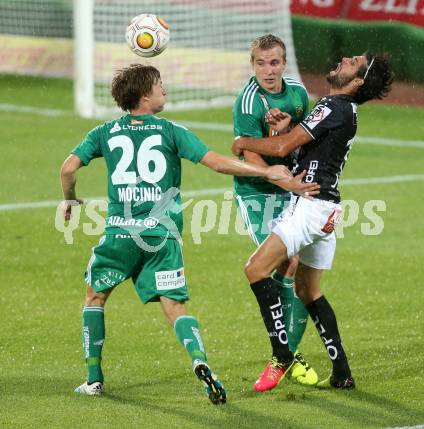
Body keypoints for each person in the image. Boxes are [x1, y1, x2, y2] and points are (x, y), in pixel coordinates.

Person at [60, 64, 320, 404]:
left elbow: (67, 168)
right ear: (144, 96)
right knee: (176, 308)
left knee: (95, 297)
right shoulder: (171, 131)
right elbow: (217, 163)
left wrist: (70, 199)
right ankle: (200, 362)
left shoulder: (104, 132)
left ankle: (93, 379)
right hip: (162, 238)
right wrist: (267, 172)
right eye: (159, 85)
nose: (165, 90)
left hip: (119, 235)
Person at [232, 52, 393, 389]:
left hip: (310, 205)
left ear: (359, 80)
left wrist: (243, 142)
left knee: (256, 269)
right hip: (328, 209)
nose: (345, 59)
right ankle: (342, 373)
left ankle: (282, 355)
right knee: (309, 291)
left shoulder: (333, 106)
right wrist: (288, 127)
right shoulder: (343, 109)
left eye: (354, 62)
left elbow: (282, 150)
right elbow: (304, 151)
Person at [233, 34, 318, 392]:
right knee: (285, 261)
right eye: (261, 63)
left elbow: (308, 135)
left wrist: (289, 134)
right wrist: (286, 183)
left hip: (292, 188)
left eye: (275, 63)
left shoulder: (298, 93)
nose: (269, 71)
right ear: (252, 65)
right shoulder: (248, 101)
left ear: (284, 63)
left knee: (296, 268)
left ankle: (285, 355)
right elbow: (248, 155)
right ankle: (283, 355)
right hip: (257, 192)